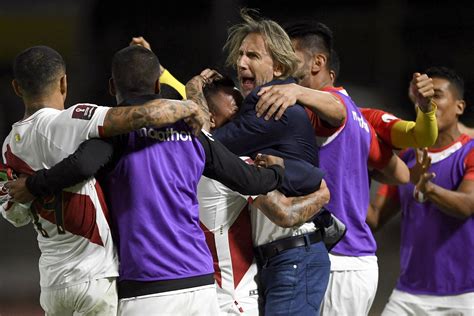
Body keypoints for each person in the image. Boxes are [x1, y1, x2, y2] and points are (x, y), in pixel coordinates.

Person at [0, 45, 205, 315]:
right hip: (94, 274)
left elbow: (15, 215)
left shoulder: (8, 148)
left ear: (16, 87)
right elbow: (145, 115)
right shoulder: (72, 120)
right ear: (63, 82)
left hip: (52, 281)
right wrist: (189, 105)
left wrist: (33, 186)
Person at [186, 9, 340, 315]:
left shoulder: (268, 102)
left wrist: (193, 93)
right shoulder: (263, 104)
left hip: (294, 255)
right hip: (279, 258)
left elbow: (206, 147)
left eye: (253, 56)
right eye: (240, 54)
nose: (241, 63)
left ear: (279, 65)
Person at [253, 20, 411, 315]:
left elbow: (334, 110)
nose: (284, 62)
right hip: (354, 258)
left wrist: (295, 92)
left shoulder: (333, 106)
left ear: (318, 62)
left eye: (292, 54)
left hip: (341, 258)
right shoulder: (359, 117)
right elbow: (401, 173)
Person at [196, 76, 331, 315]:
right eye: (235, 109)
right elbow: (285, 213)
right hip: (235, 297)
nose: (245, 116)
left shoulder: (183, 159)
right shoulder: (231, 167)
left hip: (223, 286)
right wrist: (322, 194)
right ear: (212, 119)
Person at [367, 66, 474, 316]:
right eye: (423, 97)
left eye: (436, 95)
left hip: (465, 295)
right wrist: (348, 181)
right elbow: (374, 218)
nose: (428, 102)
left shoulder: (469, 152)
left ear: (459, 107)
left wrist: (428, 189)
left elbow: (467, 205)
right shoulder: (406, 158)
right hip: (409, 294)